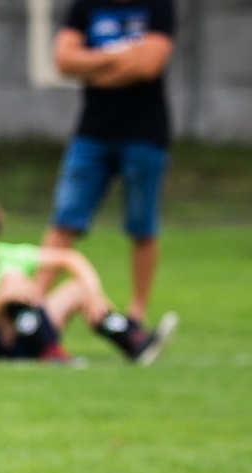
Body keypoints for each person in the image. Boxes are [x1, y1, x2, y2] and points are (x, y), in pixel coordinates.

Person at [42, 0, 175, 325]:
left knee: (142, 226)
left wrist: (93, 65)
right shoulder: (86, 6)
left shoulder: (158, 6)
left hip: (145, 133)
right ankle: (34, 305)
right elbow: (63, 61)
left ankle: (136, 314)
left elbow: (149, 66)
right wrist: (121, 58)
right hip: (92, 132)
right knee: (65, 220)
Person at [0, 193, 174, 365]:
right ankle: (48, 352)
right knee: (13, 280)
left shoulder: (9, 254)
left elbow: (71, 258)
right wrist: (2, 299)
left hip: (28, 331)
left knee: (77, 290)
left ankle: (133, 342)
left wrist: (94, 294)